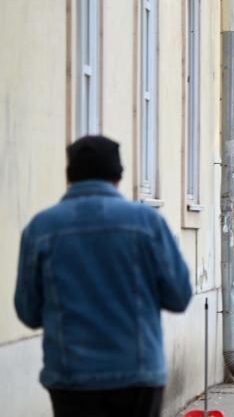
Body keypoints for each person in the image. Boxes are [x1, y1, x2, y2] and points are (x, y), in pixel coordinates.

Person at [14, 135, 193, 417]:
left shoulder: (41, 228)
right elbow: (179, 297)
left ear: (70, 175)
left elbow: (28, 312)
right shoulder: (147, 223)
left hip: (71, 377)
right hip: (138, 374)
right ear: (117, 175)